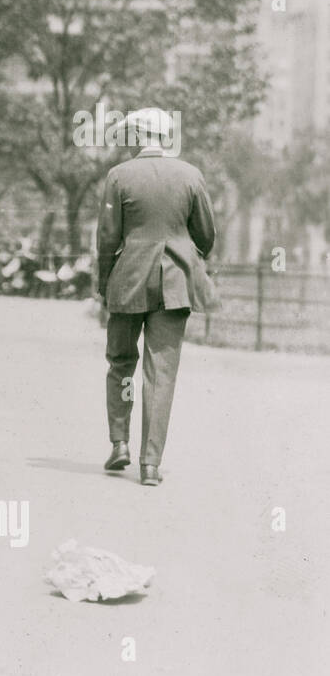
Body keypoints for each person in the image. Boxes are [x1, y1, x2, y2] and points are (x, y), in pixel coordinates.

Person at [97, 108, 217, 487]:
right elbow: (206, 235)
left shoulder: (118, 176)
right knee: (160, 373)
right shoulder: (190, 175)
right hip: (174, 285)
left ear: (137, 136)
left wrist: (104, 283)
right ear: (164, 137)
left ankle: (119, 443)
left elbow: (107, 237)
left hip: (128, 281)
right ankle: (150, 464)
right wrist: (183, 253)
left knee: (120, 363)